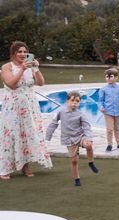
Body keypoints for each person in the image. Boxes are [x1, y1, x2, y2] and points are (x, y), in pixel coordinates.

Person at [0, 41, 52, 180]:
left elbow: (41, 83)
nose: (22, 54)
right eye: (19, 51)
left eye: (25, 52)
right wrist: (22, 69)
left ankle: (25, 166)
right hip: (13, 106)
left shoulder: (30, 67)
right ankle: (4, 169)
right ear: (13, 53)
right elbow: (10, 84)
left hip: (30, 106)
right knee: (11, 135)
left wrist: (36, 69)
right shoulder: (7, 67)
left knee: (27, 135)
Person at [46, 91, 99, 187]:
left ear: (79, 103)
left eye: (77, 101)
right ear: (67, 101)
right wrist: (47, 137)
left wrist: (88, 138)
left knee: (89, 144)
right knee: (74, 161)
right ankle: (77, 179)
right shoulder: (61, 113)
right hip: (69, 139)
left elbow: (87, 127)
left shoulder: (81, 114)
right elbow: (53, 124)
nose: (74, 102)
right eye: (72, 100)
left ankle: (91, 162)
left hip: (80, 136)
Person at [98, 67, 119, 152]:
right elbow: (100, 101)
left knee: (117, 128)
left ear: (116, 77)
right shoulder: (103, 89)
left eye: (110, 76)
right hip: (108, 112)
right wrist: (101, 107)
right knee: (109, 129)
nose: (108, 78)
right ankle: (109, 144)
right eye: (107, 76)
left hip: (118, 112)